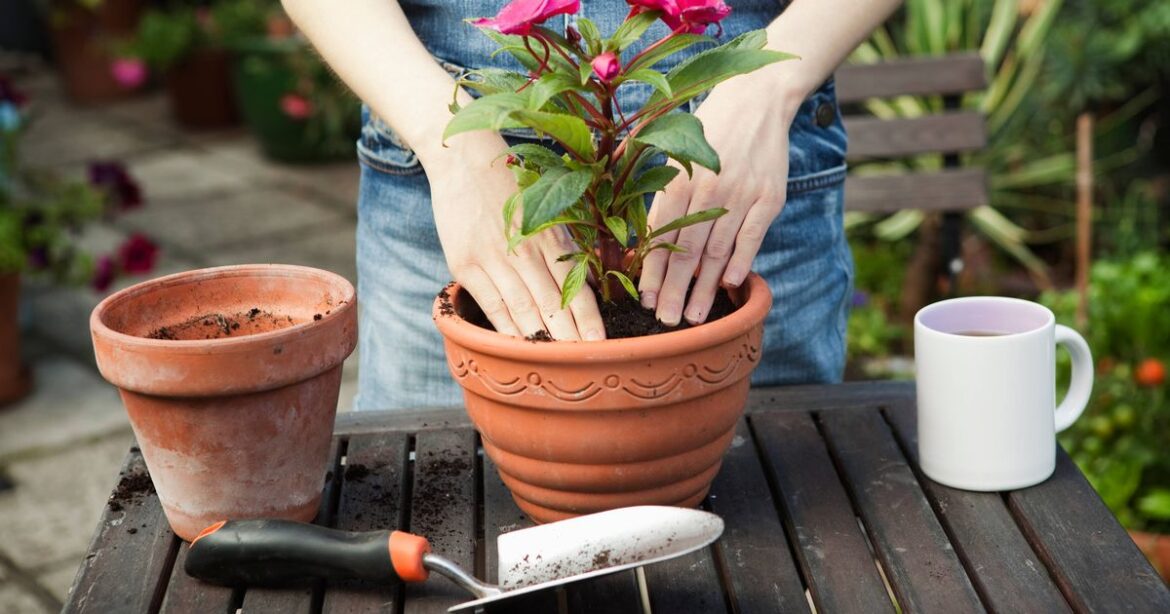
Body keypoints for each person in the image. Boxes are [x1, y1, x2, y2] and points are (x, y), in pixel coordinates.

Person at [282, 0, 902, 411]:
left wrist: (769, 84)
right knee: (451, 516)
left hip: (736, 174)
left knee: (762, 528)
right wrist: (451, 139)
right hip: (454, 182)